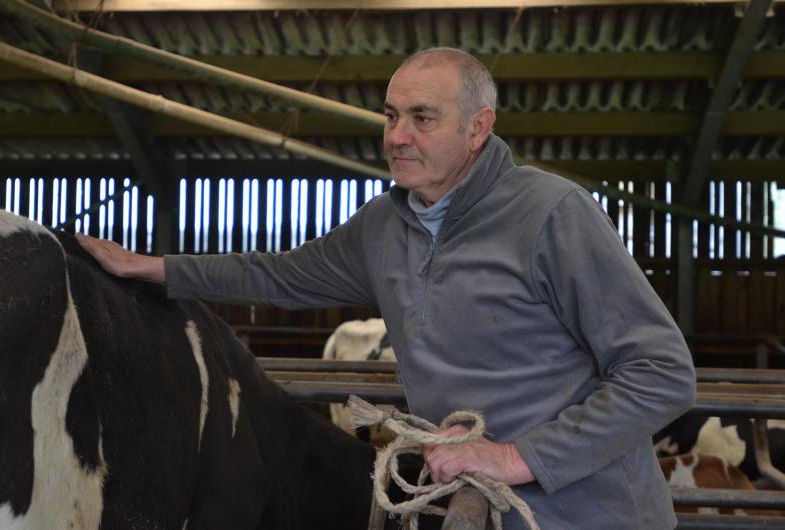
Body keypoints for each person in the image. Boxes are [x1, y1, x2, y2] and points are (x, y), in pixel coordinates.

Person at [77, 47, 696, 529]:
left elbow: (661, 371)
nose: (396, 136)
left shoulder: (554, 213)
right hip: (465, 506)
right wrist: (157, 268)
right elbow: (278, 273)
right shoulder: (385, 224)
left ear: (479, 128)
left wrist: (515, 457)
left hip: (590, 514)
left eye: (422, 118)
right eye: (391, 116)